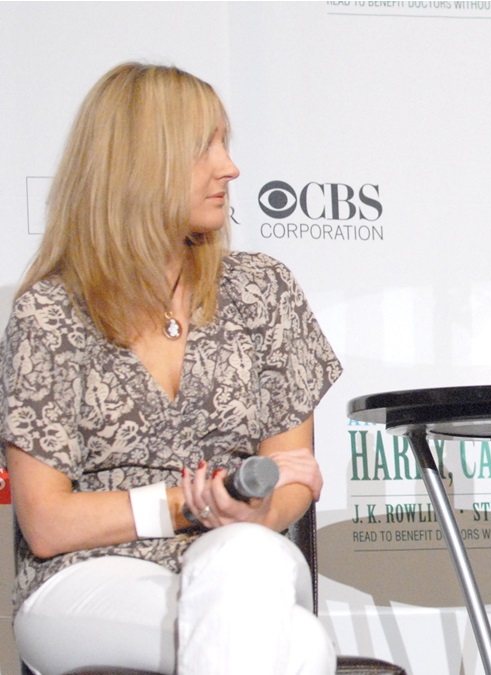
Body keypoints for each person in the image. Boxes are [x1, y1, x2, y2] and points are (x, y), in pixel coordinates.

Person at [0, 63, 343, 674]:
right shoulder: (50, 312)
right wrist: (190, 504)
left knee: (243, 558)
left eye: (225, 143)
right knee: (301, 647)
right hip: (86, 580)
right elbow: (48, 522)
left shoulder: (262, 289)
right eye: (203, 148)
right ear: (138, 166)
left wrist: (253, 511)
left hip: (250, 554)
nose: (229, 168)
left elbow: (295, 474)